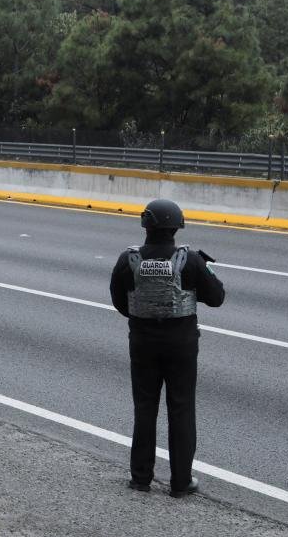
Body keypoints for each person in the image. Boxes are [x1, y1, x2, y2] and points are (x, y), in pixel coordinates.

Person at [109, 199, 224, 498]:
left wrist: (144, 317)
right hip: (181, 344)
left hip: (142, 342)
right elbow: (217, 298)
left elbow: (120, 301)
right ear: (177, 227)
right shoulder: (190, 260)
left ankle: (140, 478)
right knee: (181, 408)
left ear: (145, 226)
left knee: (145, 407)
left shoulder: (128, 259)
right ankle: (181, 482)